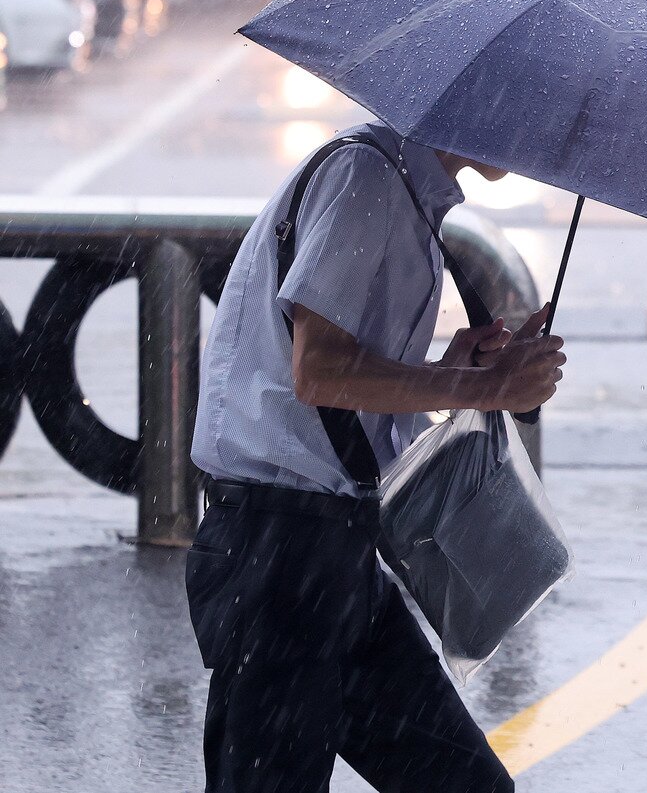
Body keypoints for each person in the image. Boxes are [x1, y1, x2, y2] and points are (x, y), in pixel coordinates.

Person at [186, 120, 564, 793]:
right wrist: (481, 385)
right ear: (465, 97)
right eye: (524, 108)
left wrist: (454, 369)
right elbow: (318, 369)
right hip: (276, 556)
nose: (533, 131)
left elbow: (339, 388)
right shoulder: (365, 178)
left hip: (335, 554)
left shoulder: (403, 192)